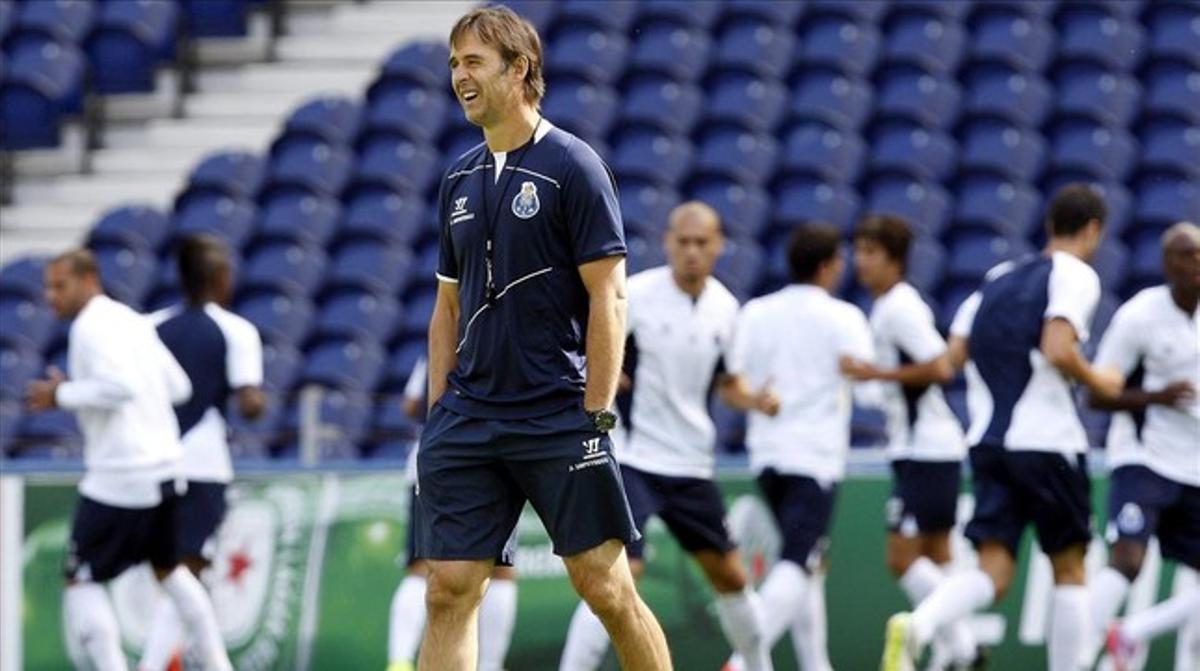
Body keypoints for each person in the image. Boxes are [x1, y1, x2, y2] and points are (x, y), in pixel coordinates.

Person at [416, 7, 670, 670]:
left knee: (606, 588)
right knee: (448, 591)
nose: (459, 76)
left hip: (557, 413)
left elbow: (609, 296)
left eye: (472, 62)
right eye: (453, 64)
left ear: (519, 67)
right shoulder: (457, 179)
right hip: (470, 416)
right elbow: (445, 309)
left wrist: (598, 411)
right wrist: (441, 409)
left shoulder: (572, 166)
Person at [881, 184, 1126, 671]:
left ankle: (922, 624)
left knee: (993, 571)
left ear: (1050, 225)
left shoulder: (998, 277)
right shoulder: (1075, 274)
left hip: (989, 443)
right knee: (1070, 568)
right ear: (1094, 230)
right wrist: (1100, 379)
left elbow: (953, 355)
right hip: (1049, 443)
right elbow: (1058, 347)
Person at [559, 202, 771, 670]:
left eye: (702, 242)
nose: (692, 251)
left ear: (718, 246)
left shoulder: (725, 309)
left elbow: (729, 383)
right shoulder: (634, 295)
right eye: (684, 241)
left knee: (732, 576)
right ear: (668, 242)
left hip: (692, 464)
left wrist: (756, 401)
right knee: (617, 576)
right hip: (633, 459)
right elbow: (585, 348)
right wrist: (603, 373)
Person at [26, 249, 232, 671]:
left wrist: (61, 394)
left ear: (89, 280)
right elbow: (177, 386)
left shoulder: (89, 327)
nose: (51, 296)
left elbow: (120, 386)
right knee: (172, 572)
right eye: (48, 286)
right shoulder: (131, 321)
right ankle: (219, 665)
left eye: (60, 285)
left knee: (81, 578)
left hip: (121, 473)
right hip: (167, 469)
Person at [720, 224, 875, 671]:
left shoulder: (756, 312)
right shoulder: (844, 317)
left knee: (807, 563)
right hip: (814, 458)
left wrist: (756, 400)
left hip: (766, 456)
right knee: (797, 560)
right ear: (828, 266)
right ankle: (741, 660)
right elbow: (867, 392)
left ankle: (816, 663)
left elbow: (734, 380)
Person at [839, 214, 979, 670]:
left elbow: (940, 367)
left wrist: (875, 373)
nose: (861, 261)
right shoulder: (886, 306)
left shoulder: (901, 307)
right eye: (858, 251)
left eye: (871, 252)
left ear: (894, 260)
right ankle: (958, 653)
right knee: (938, 556)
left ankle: (963, 645)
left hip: (928, 448)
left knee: (901, 558)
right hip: (921, 448)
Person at [129, 235, 265, 670]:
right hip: (204, 465)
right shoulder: (236, 331)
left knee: (175, 571)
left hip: (155, 462)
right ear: (221, 280)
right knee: (186, 569)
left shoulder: (150, 327)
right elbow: (250, 404)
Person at [1085, 221, 1200, 670]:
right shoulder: (1139, 315)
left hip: (1195, 466)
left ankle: (1134, 633)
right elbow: (1097, 393)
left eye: (1199, 254)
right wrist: (1157, 396)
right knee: (1128, 561)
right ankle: (1075, 658)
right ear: (1166, 263)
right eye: (1185, 254)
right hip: (1144, 458)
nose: (1195, 263)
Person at [388, 357, 518, 671]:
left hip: (436, 458)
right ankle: (488, 666)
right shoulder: (503, 335)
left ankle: (399, 662)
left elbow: (411, 404)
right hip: (495, 459)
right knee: (500, 570)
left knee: (423, 567)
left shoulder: (440, 336)